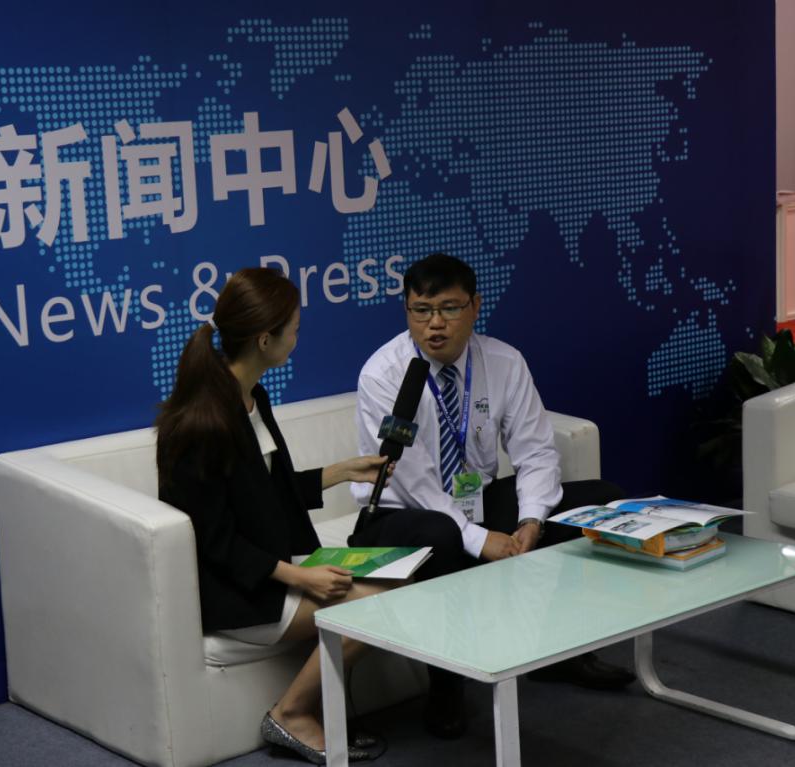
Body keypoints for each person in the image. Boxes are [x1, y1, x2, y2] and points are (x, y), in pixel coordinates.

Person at [350, 253, 635, 739]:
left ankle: (563, 651)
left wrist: (531, 521)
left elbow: (536, 451)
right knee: (443, 534)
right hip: (398, 515)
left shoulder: (503, 362)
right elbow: (414, 482)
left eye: (449, 308)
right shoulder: (385, 374)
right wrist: (480, 539)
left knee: (600, 501)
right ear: (406, 311)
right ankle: (446, 684)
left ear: (475, 307)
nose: (435, 324)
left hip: (471, 502)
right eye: (421, 310)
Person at [156, 267, 390, 765]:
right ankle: (291, 713)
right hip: (238, 592)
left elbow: (266, 492)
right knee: (375, 603)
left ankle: (317, 711)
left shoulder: (250, 396)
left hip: (272, 568)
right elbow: (215, 541)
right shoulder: (199, 424)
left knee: (397, 576)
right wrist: (300, 577)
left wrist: (340, 471)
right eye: (294, 330)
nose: (297, 340)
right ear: (265, 339)